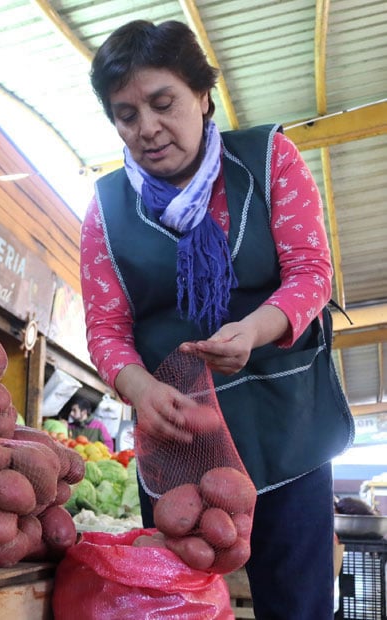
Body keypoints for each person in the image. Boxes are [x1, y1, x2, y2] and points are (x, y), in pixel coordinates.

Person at [81, 19, 354, 620]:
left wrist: (256, 329)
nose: (147, 129)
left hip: (288, 430)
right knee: (177, 608)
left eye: (162, 103)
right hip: (181, 447)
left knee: (300, 608)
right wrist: (142, 390)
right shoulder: (105, 208)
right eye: (126, 115)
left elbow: (311, 271)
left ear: (203, 97)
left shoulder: (267, 158)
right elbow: (105, 328)